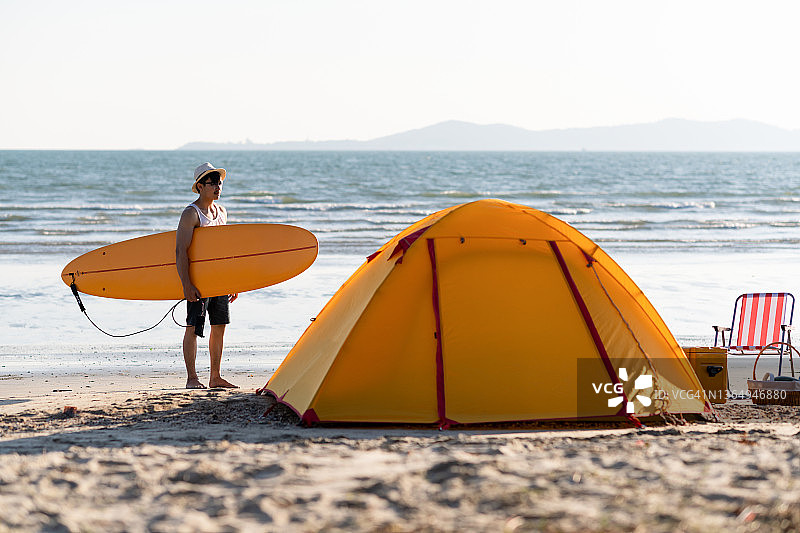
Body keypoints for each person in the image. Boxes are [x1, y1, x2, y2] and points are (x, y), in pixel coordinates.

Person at [176, 162, 239, 389]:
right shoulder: (191, 214)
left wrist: (231, 280)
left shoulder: (221, 212)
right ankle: (192, 378)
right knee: (193, 327)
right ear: (200, 186)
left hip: (219, 280)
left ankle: (215, 377)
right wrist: (187, 284)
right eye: (213, 183)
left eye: (219, 182)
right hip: (199, 281)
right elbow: (180, 251)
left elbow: (224, 251)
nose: (218, 187)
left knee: (219, 326)